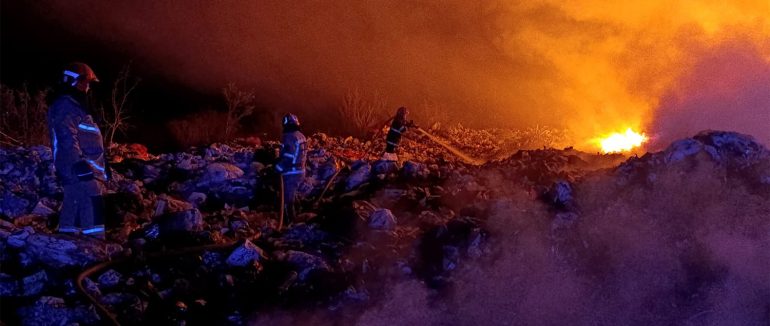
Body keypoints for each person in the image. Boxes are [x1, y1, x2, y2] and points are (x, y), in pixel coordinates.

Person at [47, 62, 109, 239]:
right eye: (85, 82)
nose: (87, 87)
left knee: (74, 200)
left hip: (80, 166)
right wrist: (79, 164)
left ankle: (69, 243)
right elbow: (66, 137)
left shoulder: (75, 106)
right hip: (78, 166)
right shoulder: (66, 106)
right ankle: (93, 245)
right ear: (73, 82)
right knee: (91, 200)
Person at [275, 113, 307, 223]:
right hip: (301, 171)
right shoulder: (301, 135)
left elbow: (288, 157)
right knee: (294, 195)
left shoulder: (289, 137)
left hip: (291, 173)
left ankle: (291, 224)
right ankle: (301, 215)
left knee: (288, 200)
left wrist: (277, 168)